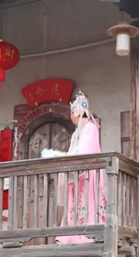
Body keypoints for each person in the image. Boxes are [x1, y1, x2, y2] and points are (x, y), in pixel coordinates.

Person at [42, 91, 107, 244]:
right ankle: (70, 235)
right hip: (76, 172)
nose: (71, 115)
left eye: (72, 112)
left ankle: (88, 235)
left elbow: (86, 150)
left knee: (87, 202)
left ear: (77, 111)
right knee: (73, 204)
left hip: (88, 172)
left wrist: (71, 158)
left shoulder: (90, 128)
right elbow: (73, 151)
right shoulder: (76, 133)